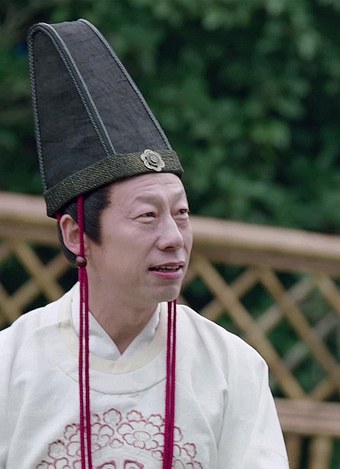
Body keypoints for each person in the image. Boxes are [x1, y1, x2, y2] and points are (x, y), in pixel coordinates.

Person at [0, 19, 290, 468]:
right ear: (77, 235)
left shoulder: (231, 367)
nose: (173, 238)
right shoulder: (10, 366)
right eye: (147, 216)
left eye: (181, 214)